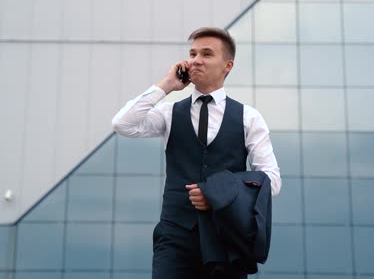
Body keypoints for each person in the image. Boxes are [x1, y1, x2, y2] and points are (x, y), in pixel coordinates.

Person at [112, 27, 281, 279]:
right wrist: (166, 85)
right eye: (192, 53)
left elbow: (271, 180)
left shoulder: (249, 117)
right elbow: (123, 124)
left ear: (227, 65)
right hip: (175, 236)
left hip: (226, 238)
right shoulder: (169, 113)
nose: (196, 60)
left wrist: (217, 193)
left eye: (206, 54)